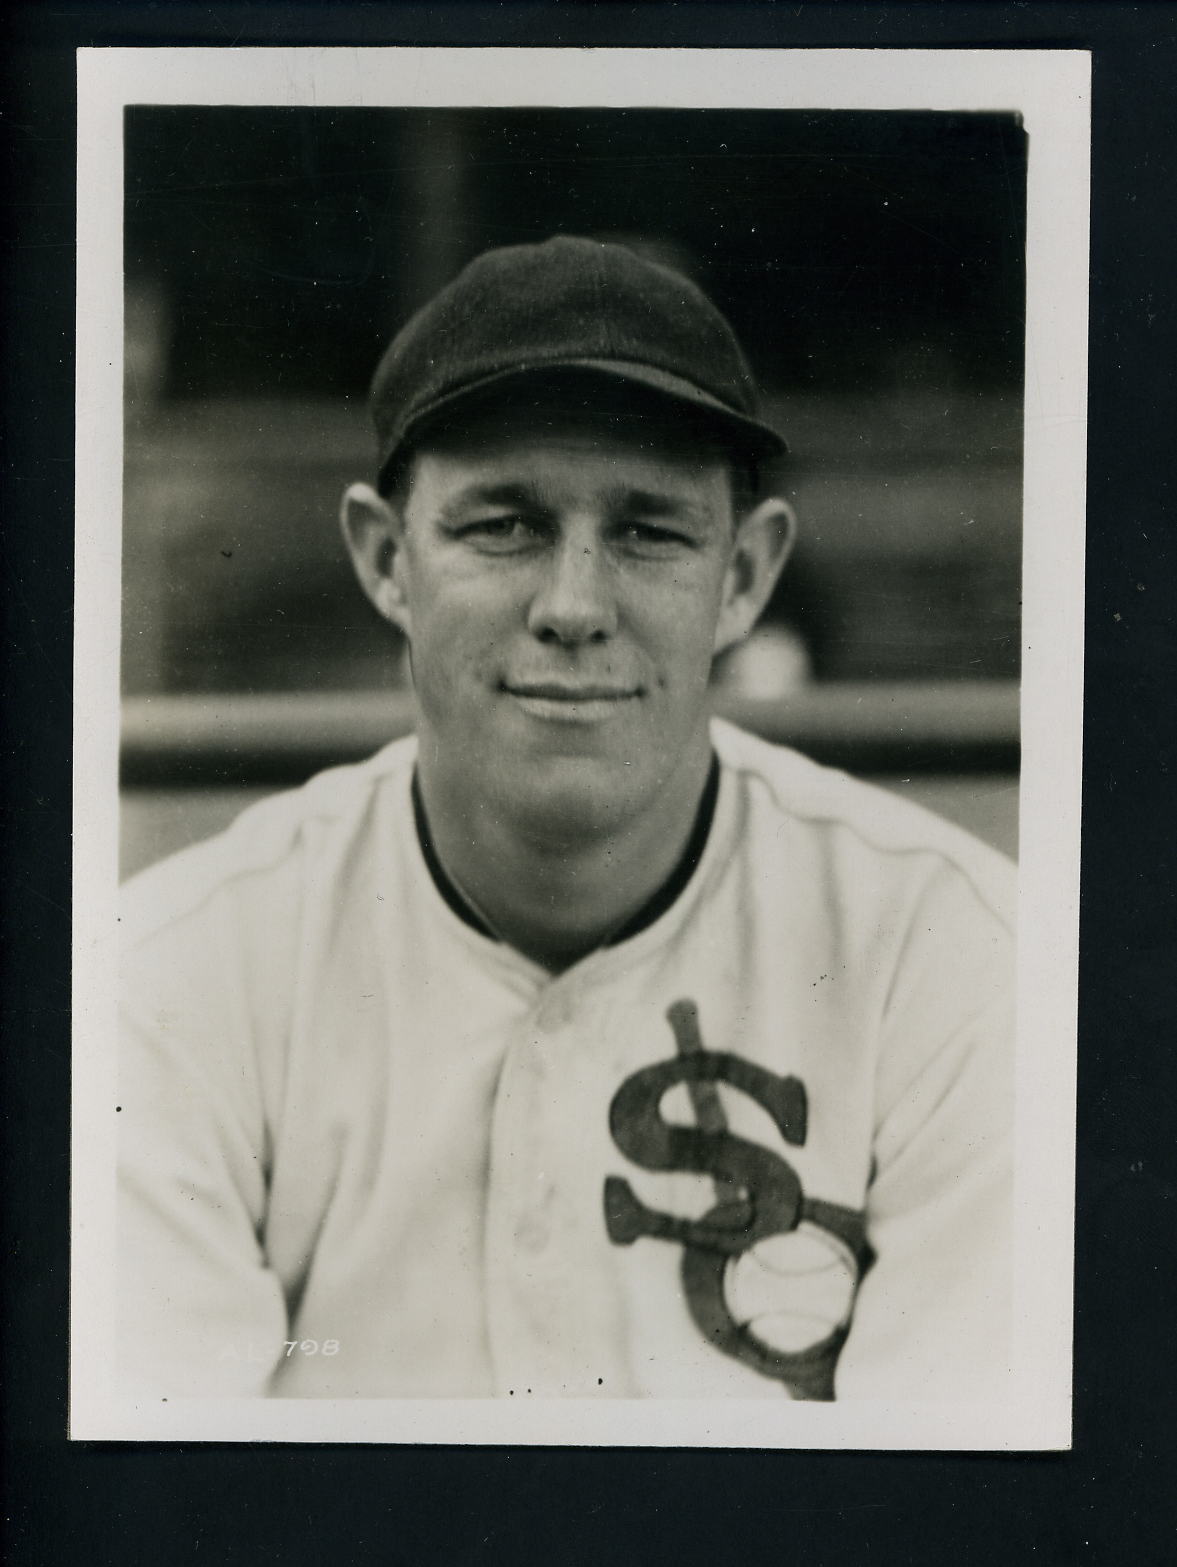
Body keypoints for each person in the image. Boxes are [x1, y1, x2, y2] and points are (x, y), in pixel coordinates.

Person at [118, 236, 1015, 1402]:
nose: (575, 605)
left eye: (649, 531)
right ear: (388, 559)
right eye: (503, 525)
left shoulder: (954, 956)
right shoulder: (172, 971)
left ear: (743, 576)